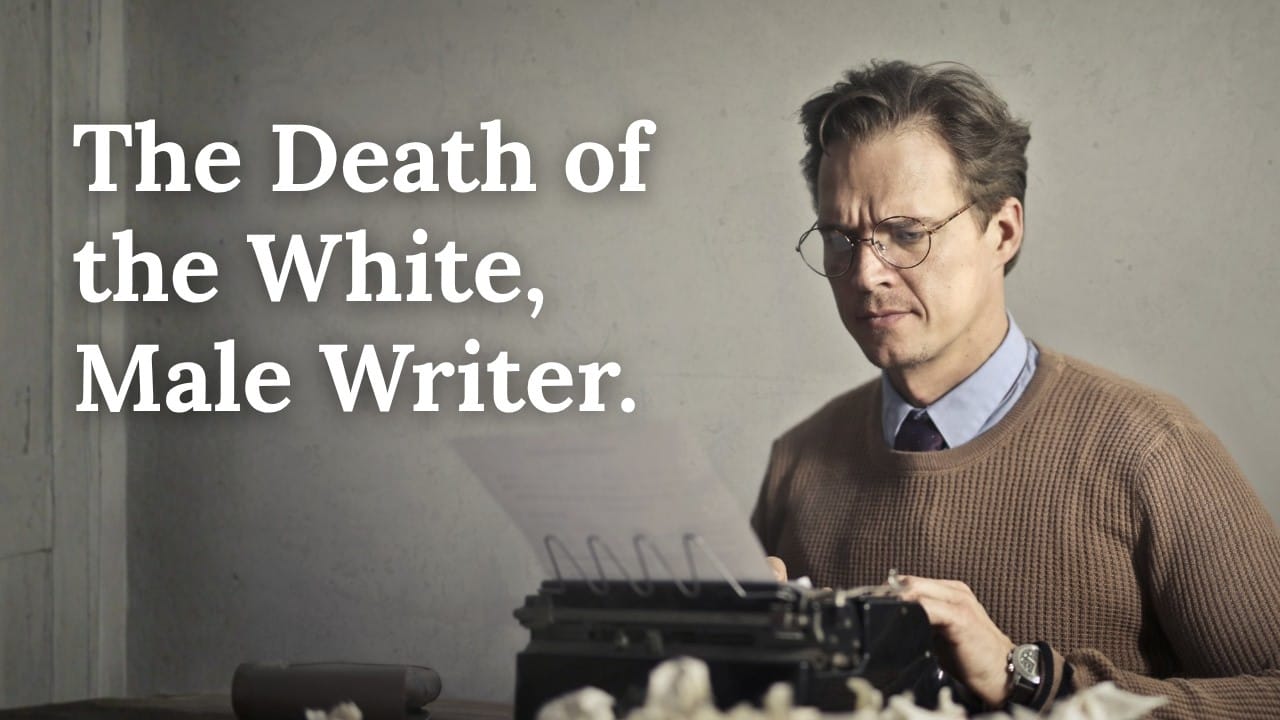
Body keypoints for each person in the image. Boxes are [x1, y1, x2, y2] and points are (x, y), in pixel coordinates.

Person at [750, 60, 1280, 718]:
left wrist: (1032, 679)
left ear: (1003, 230)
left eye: (906, 234)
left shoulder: (1151, 448)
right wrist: (733, 658)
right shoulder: (796, 463)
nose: (865, 273)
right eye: (840, 238)